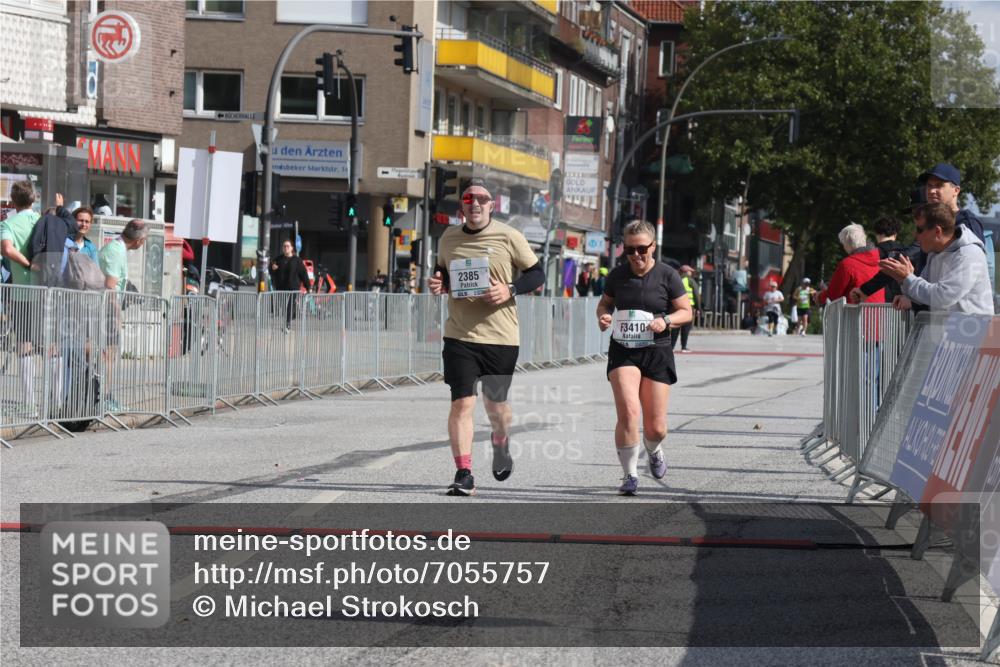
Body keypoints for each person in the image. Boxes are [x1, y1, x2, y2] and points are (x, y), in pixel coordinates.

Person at [428, 179, 545, 496]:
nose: (475, 203)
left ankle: (501, 440)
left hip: (501, 337)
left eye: (482, 199)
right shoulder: (448, 238)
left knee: (496, 407)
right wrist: (439, 284)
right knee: (462, 403)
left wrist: (510, 288)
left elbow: (537, 273)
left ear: (492, 205)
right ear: (462, 206)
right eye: (469, 198)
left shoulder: (509, 236)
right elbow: (443, 274)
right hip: (460, 334)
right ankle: (464, 472)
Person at [596, 220, 692, 495]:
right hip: (623, 349)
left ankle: (654, 448)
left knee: (656, 426)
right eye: (629, 250)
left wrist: (666, 320)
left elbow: (686, 311)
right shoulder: (617, 275)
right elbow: (605, 303)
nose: (636, 255)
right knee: (628, 411)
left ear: (653, 246)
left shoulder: (668, 275)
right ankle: (629, 475)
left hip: (657, 350)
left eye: (641, 249)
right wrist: (603, 316)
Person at [880, 202, 993, 314]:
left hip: (973, 330)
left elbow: (943, 297)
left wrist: (907, 278)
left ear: (937, 231)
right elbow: (923, 295)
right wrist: (902, 279)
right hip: (950, 329)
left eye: (920, 230)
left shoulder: (968, 254)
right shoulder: (934, 254)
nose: (915, 235)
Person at [98, 219, 149, 412]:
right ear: (139, 240)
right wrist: (117, 315)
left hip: (106, 308)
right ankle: (104, 397)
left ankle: (106, 395)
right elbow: (110, 287)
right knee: (108, 355)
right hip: (106, 310)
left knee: (109, 355)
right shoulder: (116, 251)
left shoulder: (117, 248)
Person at [0, 180, 41, 414]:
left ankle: (30, 403)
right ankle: (57, 404)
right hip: (49, 290)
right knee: (51, 347)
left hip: (22, 293)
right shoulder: (43, 221)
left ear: (12, 201)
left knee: (25, 345)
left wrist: (26, 263)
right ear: (33, 199)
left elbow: (6, 249)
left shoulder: (8, 223)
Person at [815, 223, 886, 307]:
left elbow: (833, 295)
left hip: (855, 317)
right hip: (879, 317)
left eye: (843, 244)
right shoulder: (880, 260)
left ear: (848, 242)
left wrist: (819, 297)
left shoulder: (848, 264)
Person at [270, 239, 310, 329]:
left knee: (290, 305)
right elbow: (271, 272)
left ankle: (287, 324)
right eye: (284, 246)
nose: (286, 248)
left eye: (288, 246)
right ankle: (292, 316)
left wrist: (308, 287)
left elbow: (303, 274)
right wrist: (272, 268)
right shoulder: (278, 259)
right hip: (281, 288)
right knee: (284, 306)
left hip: (293, 288)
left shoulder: (297, 260)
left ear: (292, 248)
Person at [671, 265, 698, 352]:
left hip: (675, 307)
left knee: (675, 327)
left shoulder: (675, 279)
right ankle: (684, 347)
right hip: (688, 307)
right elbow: (696, 294)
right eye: (690, 271)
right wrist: (698, 307)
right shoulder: (690, 280)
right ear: (686, 272)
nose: (691, 273)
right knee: (686, 328)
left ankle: (672, 347)